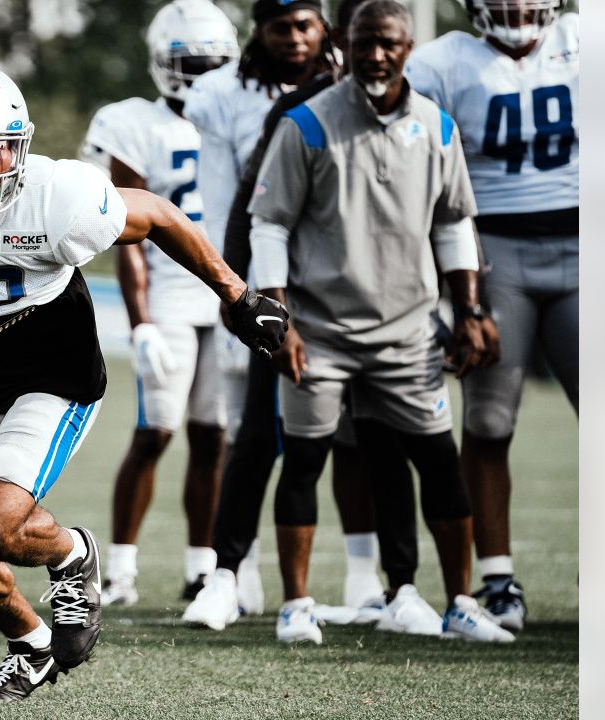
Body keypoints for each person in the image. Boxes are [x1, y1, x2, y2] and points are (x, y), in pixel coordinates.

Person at [0, 59, 286, 702]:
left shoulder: (57, 196)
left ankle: (73, 552)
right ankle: (30, 644)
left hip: (57, 376)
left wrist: (237, 296)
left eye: (1, 148)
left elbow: (155, 213)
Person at [248, 0, 511, 644]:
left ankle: (458, 603)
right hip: (321, 332)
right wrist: (279, 321)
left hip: (409, 332)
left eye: (389, 43)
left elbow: (453, 224)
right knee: (305, 460)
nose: (376, 54)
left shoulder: (438, 127)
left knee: (440, 463)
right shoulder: (306, 123)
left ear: (408, 46)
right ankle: (297, 605)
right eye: (364, 42)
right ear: (344, 41)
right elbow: (270, 224)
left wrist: (470, 308)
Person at [182, 0, 386, 624]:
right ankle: (227, 574)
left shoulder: (365, 88)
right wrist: (233, 290)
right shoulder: (229, 94)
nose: (295, 38)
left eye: (306, 25)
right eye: (281, 26)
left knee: (357, 435)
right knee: (258, 434)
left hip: (355, 286)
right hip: (275, 284)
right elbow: (227, 198)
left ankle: (365, 577)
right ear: (260, 32)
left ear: (325, 30)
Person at [406, 0, 579, 632]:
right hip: (493, 251)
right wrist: (453, 295)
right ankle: (499, 578)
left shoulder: (587, 41)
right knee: (489, 418)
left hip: (591, 241)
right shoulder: (441, 62)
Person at [78, 0, 240, 607]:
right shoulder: (132, 121)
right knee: (156, 433)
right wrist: (140, 322)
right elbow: (128, 229)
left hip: (223, 289)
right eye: (188, 61)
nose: (199, 72)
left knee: (213, 437)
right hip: (169, 295)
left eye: (210, 61)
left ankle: (203, 567)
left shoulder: (239, 113)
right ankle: (119, 569)